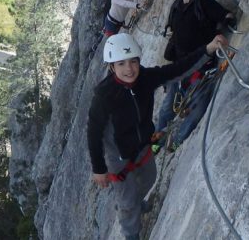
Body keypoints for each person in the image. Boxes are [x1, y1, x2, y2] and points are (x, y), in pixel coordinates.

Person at [87, 33, 228, 240]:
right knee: (126, 204)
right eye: (121, 63)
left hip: (143, 146)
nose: (129, 69)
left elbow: (177, 69)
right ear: (112, 67)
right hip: (118, 156)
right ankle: (131, 235)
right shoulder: (104, 95)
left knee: (149, 178)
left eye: (133, 61)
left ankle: (137, 202)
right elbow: (93, 132)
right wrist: (99, 169)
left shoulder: (145, 78)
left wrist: (208, 49)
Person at [153, 0, 235, 153]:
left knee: (198, 107)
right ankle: (157, 140)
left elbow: (226, 16)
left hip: (203, 64)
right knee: (167, 109)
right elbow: (174, 36)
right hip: (181, 66)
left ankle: (176, 140)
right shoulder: (175, 6)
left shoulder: (203, 1)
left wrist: (223, 28)